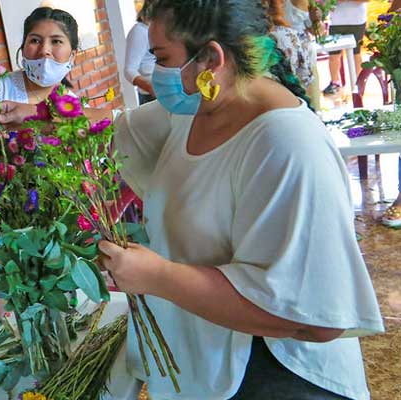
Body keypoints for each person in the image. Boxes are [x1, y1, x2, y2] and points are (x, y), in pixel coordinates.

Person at [99, 1, 384, 399]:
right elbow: (101, 134)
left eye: (161, 57)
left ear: (211, 58)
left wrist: (158, 277)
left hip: (276, 374)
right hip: (207, 362)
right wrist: (24, 119)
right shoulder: (197, 108)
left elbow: (316, 321)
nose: (154, 71)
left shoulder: (286, 144)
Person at [0, 6, 112, 145]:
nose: (44, 51)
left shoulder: (74, 107)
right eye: (35, 40)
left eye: (56, 41)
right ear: (23, 48)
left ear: (72, 54)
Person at [322, 1, 369, 96]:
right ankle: (335, 82)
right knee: (333, 55)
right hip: (336, 22)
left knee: (356, 53)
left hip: (357, 21)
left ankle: (358, 82)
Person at [124, 2, 157, 105]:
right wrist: (150, 87)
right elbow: (129, 70)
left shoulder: (161, 30)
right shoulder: (139, 31)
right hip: (150, 97)